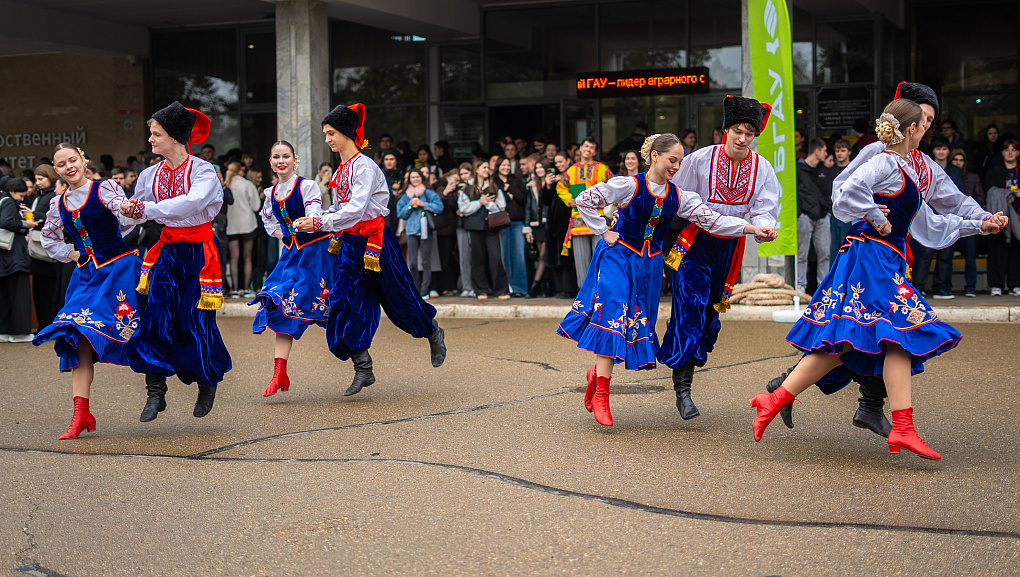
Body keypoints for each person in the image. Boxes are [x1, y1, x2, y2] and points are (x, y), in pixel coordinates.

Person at [749, 99, 1007, 460]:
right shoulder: (884, 160)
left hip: (884, 259)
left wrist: (978, 223)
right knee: (898, 333)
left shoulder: (913, 170)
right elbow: (845, 192)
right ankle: (901, 425)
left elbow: (931, 225)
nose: (927, 129)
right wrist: (876, 216)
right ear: (912, 128)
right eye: (924, 123)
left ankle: (776, 397)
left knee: (851, 341)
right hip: (870, 258)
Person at [558, 133, 772, 426]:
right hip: (617, 256)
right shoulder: (628, 185)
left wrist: (752, 228)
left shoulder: (680, 196)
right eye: (673, 160)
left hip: (649, 265)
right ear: (655, 156)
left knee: (632, 323)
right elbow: (585, 199)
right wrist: (603, 230)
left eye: (681, 161)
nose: (677, 166)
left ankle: (596, 374)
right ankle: (602, 397)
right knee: (613, 316)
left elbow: (713, 220)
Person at [292, 104, 447, 397]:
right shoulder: (341, 169)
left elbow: (356, 209)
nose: (327, 139)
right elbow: (341, 210)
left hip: (376, 242)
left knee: (400, 300)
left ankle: (431, 331)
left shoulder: (365, 167)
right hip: (350, 244)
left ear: (347, 134)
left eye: (331, 133)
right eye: (325, 133)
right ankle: (363, 367)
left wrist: (319, 222)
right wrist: (315, 218)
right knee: (341, 303)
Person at [657, 96, 780, 419]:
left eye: (749, 133)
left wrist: (766, 227)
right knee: (690, 307)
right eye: (737, 130)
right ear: (725, 130)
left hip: (730, 248)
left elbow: (766, 206)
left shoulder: (762, 168)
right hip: (695, 243)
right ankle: (683, 390)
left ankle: (689, 365)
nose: (742, 138)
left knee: (711, 315)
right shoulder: (700, 160)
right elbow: (677, 195)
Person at [121, 101, 232, 421]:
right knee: (155, 315)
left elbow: (189, 204)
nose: (151, 140)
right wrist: (124, 213)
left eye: (156, 134)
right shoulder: (148, 174)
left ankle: (206, 382)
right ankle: (156, 391)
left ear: (175, 137)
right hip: (167, 251)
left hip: (199, 252)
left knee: (193, 321)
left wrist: (145, 210)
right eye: (151, 134)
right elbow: (136, 214)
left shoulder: (204, 171)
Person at [33, 143, 142, 439]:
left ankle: (159, 387)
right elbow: (49, 238)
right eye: (62, 164)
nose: (70, 166)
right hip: (85, 275)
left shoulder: (104, 188)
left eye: (73, 160)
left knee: (139, 331)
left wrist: (124, 207)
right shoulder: (58, 204)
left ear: (82, 159)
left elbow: (123, 216)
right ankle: (81, 413)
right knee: (75, 333)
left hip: (118, 269)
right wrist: (71, 254)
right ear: (56, 170)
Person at [251, 141, 335, 397]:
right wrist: (283, 234)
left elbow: (313, 211)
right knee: (278, 303)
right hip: (292, 255)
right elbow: (267, 219)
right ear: (270, 161)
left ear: (295, 159)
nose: (281, 161)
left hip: (316, 255)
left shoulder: (307, 186)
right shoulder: (270, 193)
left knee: (334, 308)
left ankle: (361, 362)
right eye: (276, 156)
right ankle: (279, 373)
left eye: (286, 156)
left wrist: (308, 222)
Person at [558, 137, 613, 287]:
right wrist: (569, 200)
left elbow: (613, 186)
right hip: (578, 219)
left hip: (599, 218)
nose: (588, 150)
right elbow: (560, 187)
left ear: (595, 152)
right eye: (586, 146)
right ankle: (584, 298)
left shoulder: (603, 168)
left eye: (591, 148)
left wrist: (604, 199)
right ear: (580, 148)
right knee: (581, 262)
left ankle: (601, 294)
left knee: (601, 257)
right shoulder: (572, 170)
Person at [459, 161, 510, 300]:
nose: (487, 170)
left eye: (488, 168)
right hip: (474, 226)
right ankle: (481, 290)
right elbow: (463, 208)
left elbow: (501, 206)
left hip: (491, 226)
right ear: (477, 170)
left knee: (495, 257)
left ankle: (501, 289)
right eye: (484, 168)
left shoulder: (494, 186)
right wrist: (478, 203)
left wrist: (489, 204)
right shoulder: (467, 188)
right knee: (477, 258)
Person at [397, 169, 444, 298]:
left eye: (418, 176)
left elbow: (439, 207)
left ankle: (425, 290)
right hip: (411, 231)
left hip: (426, 230)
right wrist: (410, 206)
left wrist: (424, 204)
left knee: (426, 261)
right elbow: (399, 213)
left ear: (422, 178)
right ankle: (416, 289)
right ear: (409, 180)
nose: (415, 179)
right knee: (412, 262)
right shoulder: (406, 196)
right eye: (413, 177)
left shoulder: (429, 193)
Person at [0, 178, 37, 343]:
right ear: (13, 191)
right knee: (19, 295)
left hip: (5, 257)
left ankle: (4, 330)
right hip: (14, 256)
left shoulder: (2, 199)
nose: (22, 199)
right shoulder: (9, 202)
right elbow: (6, 222)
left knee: (5, 296)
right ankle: (19, 332)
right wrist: (25, 224)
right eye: (21, 195)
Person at [796, 138, 833, 294]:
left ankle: (823, 289)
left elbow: (829, 192)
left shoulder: (823, 170)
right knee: (802, 254)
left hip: (822, 217)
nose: (826, 154)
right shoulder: (798, 168)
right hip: (805, 217)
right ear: (817, 151)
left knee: (824, 253)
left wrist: (828, 212)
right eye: (824, 150)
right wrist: (800, 213)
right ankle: (800, 288)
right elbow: (791, 191)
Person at [984, 139, 1020, 296]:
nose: (1010, 152)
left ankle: (1015, 284)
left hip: (1018, 216)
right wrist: (1006, 196)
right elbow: (990, 192)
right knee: (997, 250)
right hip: (1000, 216)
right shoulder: (994, 171)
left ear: (1018, 152)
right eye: (1007, 149)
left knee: (1017, 251)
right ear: (1002, 152)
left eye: (1013, 149)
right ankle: (996, 285)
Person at [491, 156, 529, 296]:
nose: (506, 167)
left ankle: (520, 288)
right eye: (503, 165)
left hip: (517, 221)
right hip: (501, 223)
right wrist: (508, 196)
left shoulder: (517, 181)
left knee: (519, 254)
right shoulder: (494, 182)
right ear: (498, 166)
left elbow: (523, 199)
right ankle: (507, 287)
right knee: (504, 255)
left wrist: (511, 191)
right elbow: (498, 201)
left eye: (508, 165)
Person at [224, 161, 260, 298]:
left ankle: (234, 289)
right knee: (248, 257)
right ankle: (246, 288)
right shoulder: (247, 184)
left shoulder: (226, 185)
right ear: (241, 171)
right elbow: (256, 206)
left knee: (234, 258)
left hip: (231, 225)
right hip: (248, 224)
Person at [951, 150, 984, 297]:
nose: (958, 162)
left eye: (961, 160)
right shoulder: (946, 176)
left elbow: (981, 198)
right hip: (951, 221)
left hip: (969, 221)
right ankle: (945, 287)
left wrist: (971, 210)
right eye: (955, 160)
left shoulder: (972, 177)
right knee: (946, 255)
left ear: (965, 162)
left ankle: (970, 287)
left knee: (970, 256)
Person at [545, 151, 577, 298]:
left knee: (569, 255)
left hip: (569, 219)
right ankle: (560, 288)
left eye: (561, 161)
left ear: (568, 160)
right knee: (556, 255)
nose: (558, 165)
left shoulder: (574, 175)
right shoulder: (553, 179)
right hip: (554, 222)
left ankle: (570, 288)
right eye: (556, 163)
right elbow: (545, 200)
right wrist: (548, 185)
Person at [829, 139, 853, 262]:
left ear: (849, 152)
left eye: (843, 151)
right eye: (837, 151)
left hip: (850, 214)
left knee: (848, 247)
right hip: (833, 214)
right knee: (833, 249)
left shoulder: (854, 170)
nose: (839, 154)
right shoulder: (830, 170)